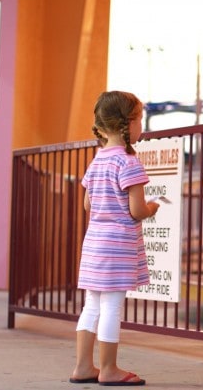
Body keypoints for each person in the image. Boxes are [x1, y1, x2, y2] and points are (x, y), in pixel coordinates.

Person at [69, 90, 159, 386]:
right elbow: (136, 210)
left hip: (94, 243)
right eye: (140, 120)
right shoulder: (129, 162)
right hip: (118, 246)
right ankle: (109, 369)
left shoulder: (97, 161)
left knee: (91, 305)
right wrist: (152, 207)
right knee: (111, 307)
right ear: (127, 123)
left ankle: (83, 366)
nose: (141, 127)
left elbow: (87, 204)